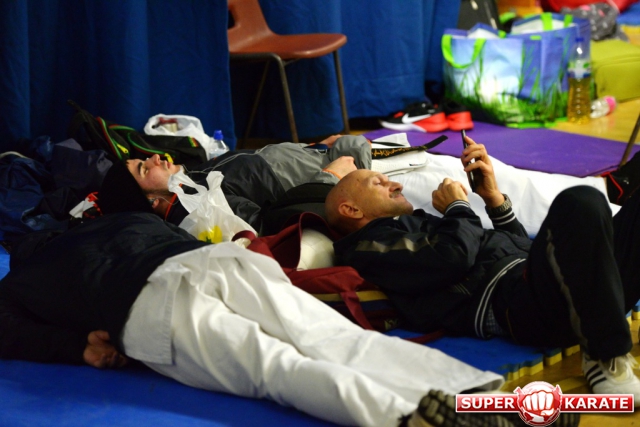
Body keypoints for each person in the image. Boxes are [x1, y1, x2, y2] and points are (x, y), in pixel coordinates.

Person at [0, 202, 518, 426]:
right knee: (335, 338)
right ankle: (481, 397)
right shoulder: (122, 219)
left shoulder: (22, 280)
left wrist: (77, 347)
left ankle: (403, 419)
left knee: (276, 368)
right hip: (216, 262)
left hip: (147, 305)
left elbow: (7, 330)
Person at [325, 135, 640, 404]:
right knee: (582, 202)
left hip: (549, 286)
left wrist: (493, 199)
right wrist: (457, 208)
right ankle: (605, 355)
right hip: (522, 308)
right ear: (351, 209)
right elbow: (453, 258)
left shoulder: (413, 224)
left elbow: (521, 251)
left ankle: (603, 331)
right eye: (378, 182)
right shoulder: (368, 246)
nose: (394, 182)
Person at [117, 134, 370, 231]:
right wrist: (331, 177)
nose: (154, 158)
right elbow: (273, 225)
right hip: (333, 173)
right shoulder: (201, 209)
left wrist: (313, 147)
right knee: (361, 146)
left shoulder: (185, 185)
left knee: (357, 143)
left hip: (316, 155)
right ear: (151, 201)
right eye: (143, 169)